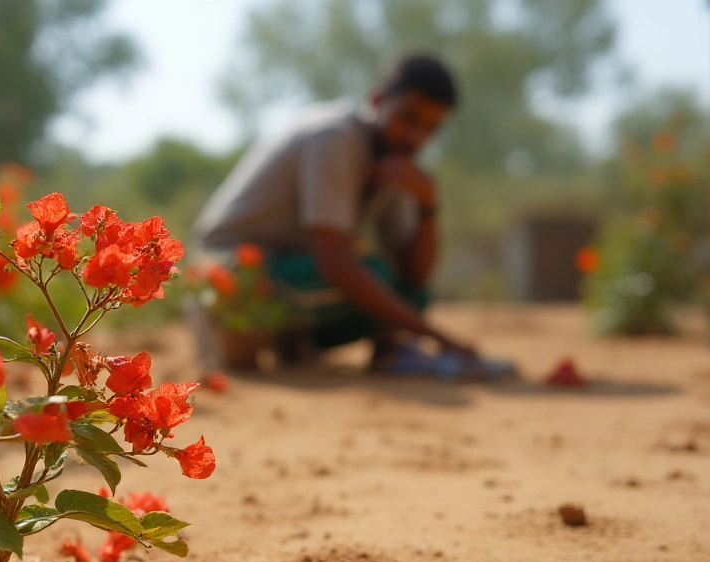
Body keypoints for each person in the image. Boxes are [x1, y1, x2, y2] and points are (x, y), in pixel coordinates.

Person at [193, 53, 498, 376]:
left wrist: (427, 206)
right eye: (408, 118)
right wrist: (442, 339)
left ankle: (326, 346)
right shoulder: (335, 137)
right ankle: (257, 344)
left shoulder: (394, 161)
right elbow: (335, 263)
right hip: (226, 273)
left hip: (292, 274)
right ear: (378, 100)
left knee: (406, 290)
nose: (416, 138)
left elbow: (415, 279)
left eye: (430, 128)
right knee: (374, 273)